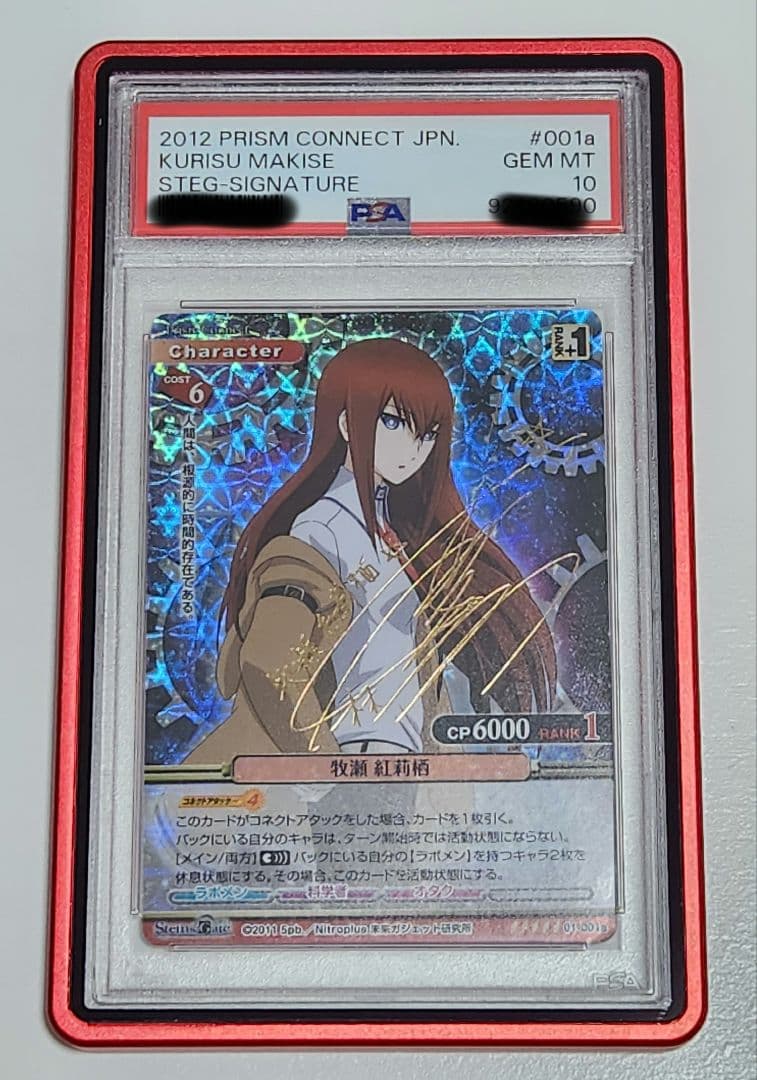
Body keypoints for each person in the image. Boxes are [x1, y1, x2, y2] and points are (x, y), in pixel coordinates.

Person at [185, 338, 556, 763]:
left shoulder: (392, 533)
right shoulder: (321, 528)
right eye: (394, 422)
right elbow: (266, 662)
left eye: (428, 433)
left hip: (396, 761)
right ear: (347, 424)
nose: (414, 449)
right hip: (352, 759)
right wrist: (323, 769)